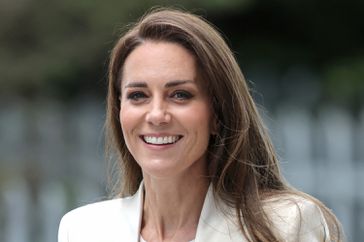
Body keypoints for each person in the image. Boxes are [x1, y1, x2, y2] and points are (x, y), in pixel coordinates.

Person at [58, 7, 343, 242]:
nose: (157, 115)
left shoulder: (287, 226)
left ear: (218, 114)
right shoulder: (83, 230)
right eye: (138, 95)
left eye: (180, 95)